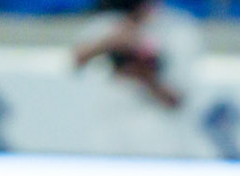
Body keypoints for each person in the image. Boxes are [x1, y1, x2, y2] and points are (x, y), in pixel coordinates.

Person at [72, 0, 204, 158]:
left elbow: (177, 99)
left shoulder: (178, 29)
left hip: (157, 139)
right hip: (107, 134)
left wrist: (144, 69)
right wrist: (112, 43)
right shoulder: (108, 23)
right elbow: (77, 60)